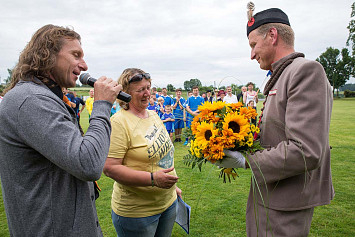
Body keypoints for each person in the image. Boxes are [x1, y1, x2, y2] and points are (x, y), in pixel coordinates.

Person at [0, 24, 122, 236]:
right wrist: (102, 105)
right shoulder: (31, 100)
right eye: (76, 55)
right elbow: (89, 164)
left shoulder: (42, 96)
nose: (84, 66)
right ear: (47, 55)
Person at [223, 4, 334, 236]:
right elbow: (276, 132)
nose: (251, 54)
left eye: (253, 45)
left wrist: (245, 161)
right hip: (271, 193)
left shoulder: (305, 71)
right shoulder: (282, 74)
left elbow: (306, 150)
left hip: (286, 202)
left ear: (272, 35)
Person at [103, 68, 181, 237]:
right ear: (125, 94)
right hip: (137, 213)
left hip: (168, 202)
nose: (147, 93)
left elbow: (163, 155)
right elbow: (109, 168)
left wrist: (173, 187)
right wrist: (153, 179)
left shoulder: (153, 115)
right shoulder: (119, 122)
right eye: (140, 90)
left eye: (148, 88)